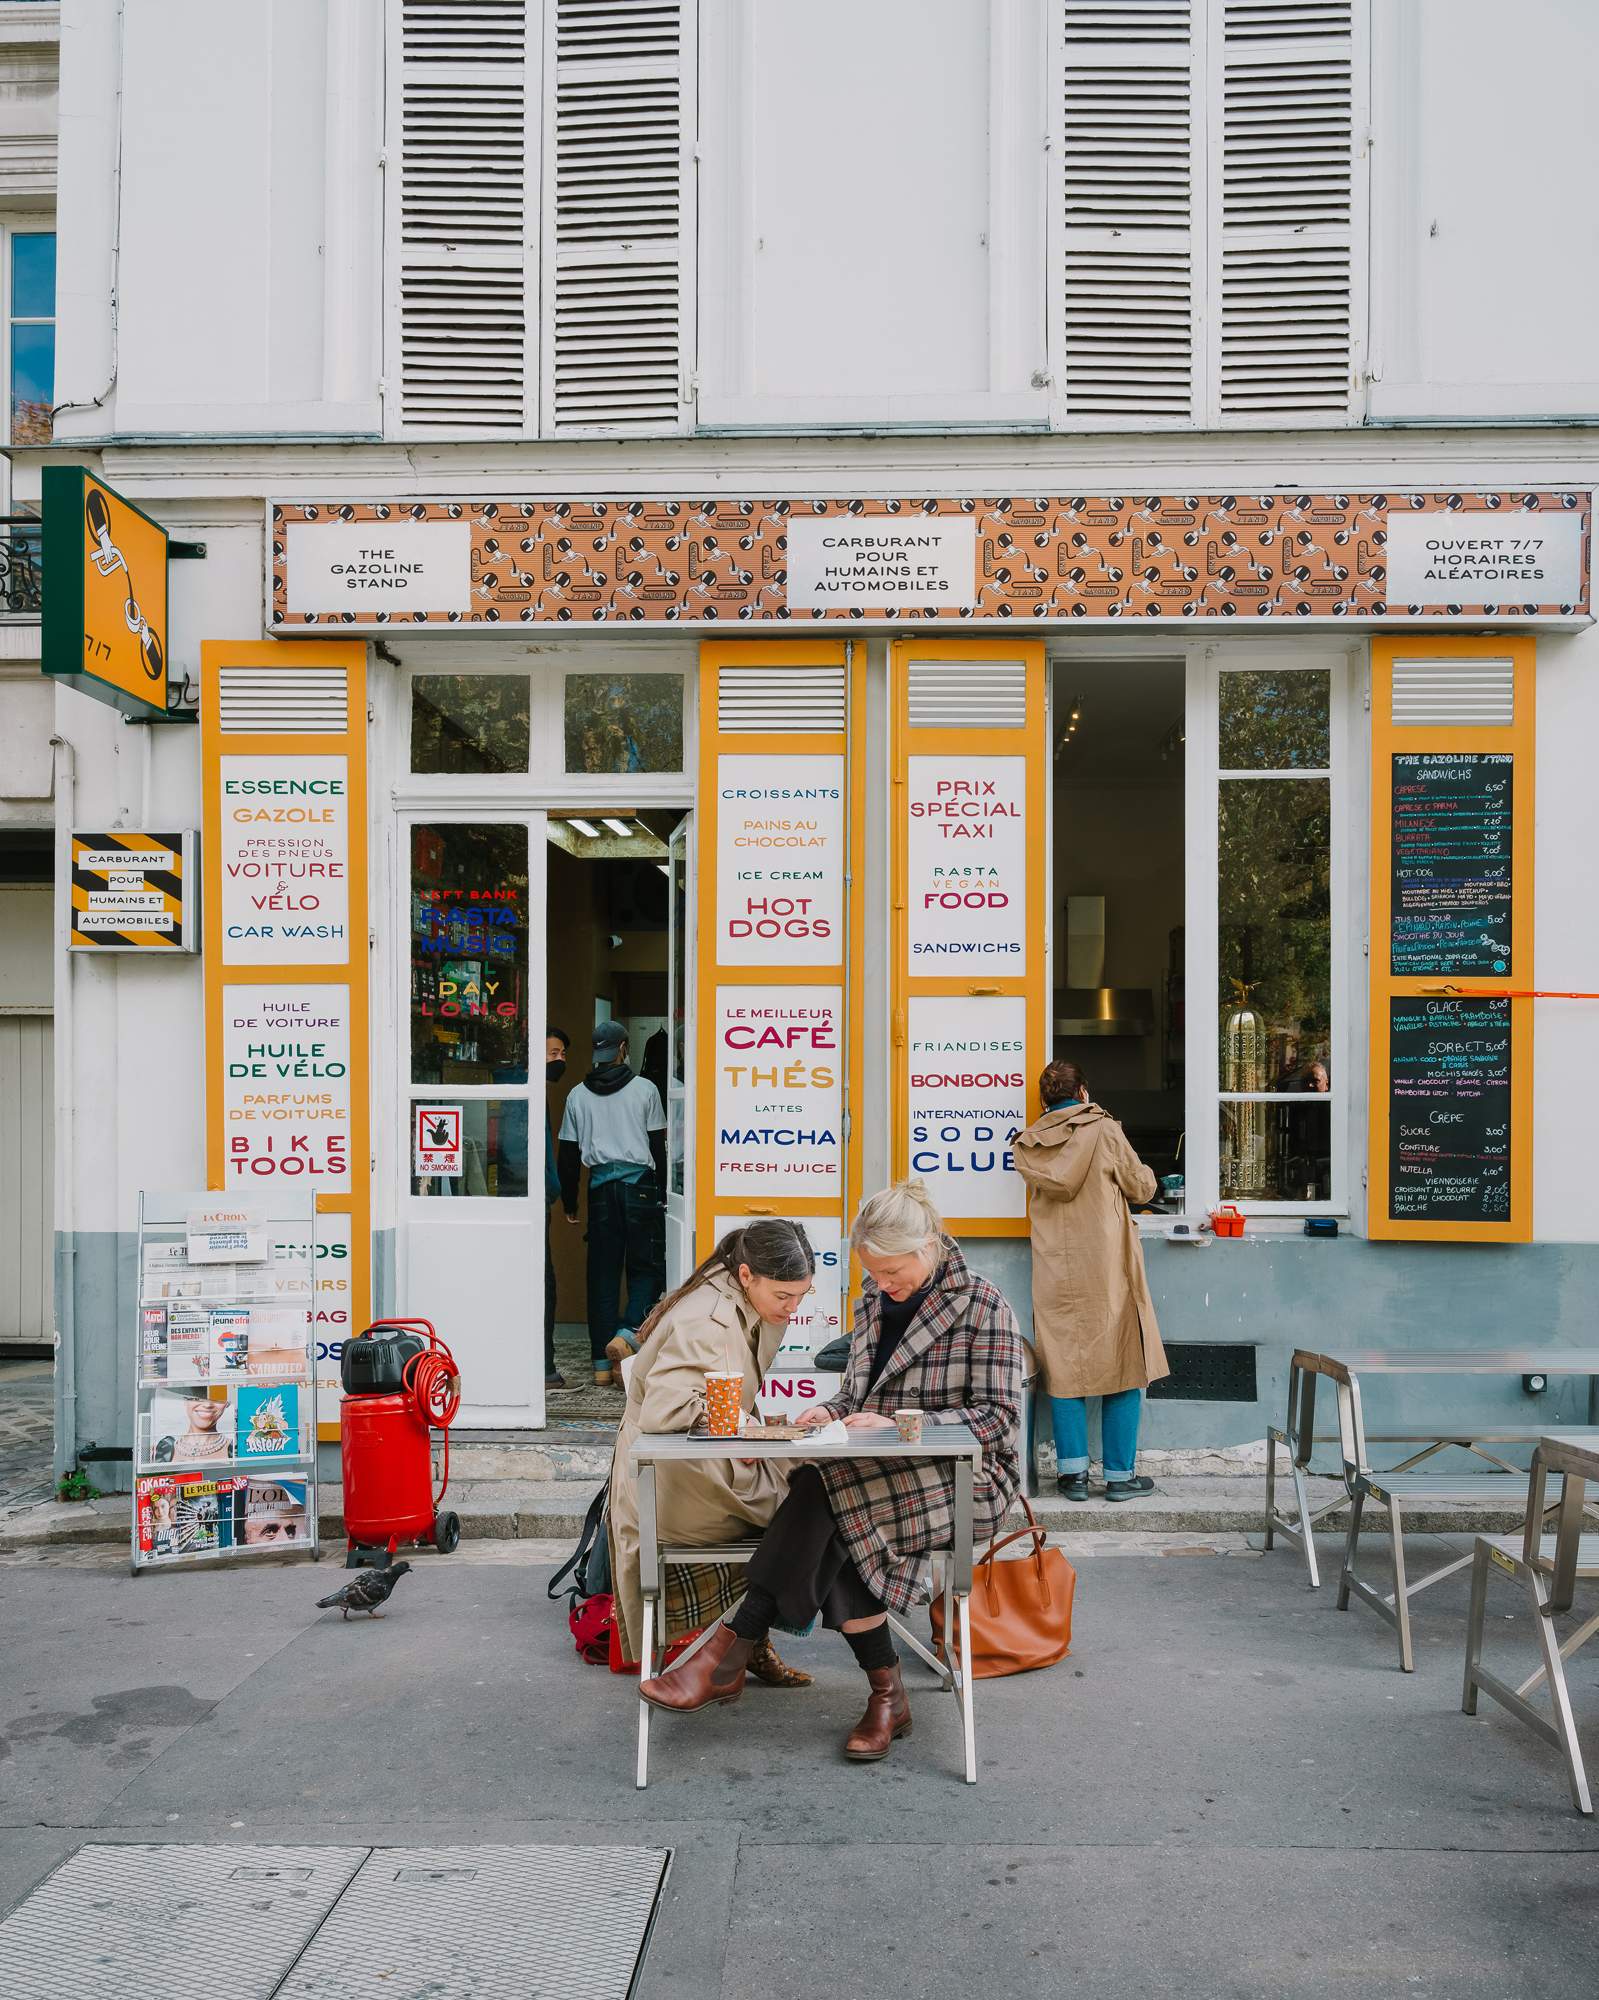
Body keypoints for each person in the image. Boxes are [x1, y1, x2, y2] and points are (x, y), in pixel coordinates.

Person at [639, 1180, 1025, 1764]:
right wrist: (831, 1411)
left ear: (928, 1249)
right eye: (874, 1272)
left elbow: (1000, 1420)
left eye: (892, 1271)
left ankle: (729, 1652)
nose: (883, 1284)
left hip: (964, 1476)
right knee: (834, 1507)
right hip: (875, 1473)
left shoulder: (984, 1304)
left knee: (824, 1494)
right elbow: (856, 1394)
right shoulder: (874, 1298)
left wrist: (897, 1424)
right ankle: (884, 1695)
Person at [607, 1219, 819, 1690]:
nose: (793, 1307)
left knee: (816, 1496)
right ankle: (738, 1644)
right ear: (747, 1276)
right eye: (784, 1297)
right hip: (673, 1486)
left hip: (690, 1470)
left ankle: (746, 1640)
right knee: (821, 1505)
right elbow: (667, 1407)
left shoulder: (737, 1295)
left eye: (801, 1296)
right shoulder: (709, 1319)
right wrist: (742, 1430)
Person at [1015, 1058, 1169, 1503]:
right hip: (1107, 1268)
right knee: (1125, 1365)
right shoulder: (1104, 1129)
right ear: (1083, 1091)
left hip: (1055, 1271)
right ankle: (1120, 1478)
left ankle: (1073, 1477)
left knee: (1065, 1369)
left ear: (1045, 1098)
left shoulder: (1026, 1145)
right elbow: (1141, 1189)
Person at [558, 1020, 667, 1387]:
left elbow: (569, 1156)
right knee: (646, 1270)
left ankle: (600, 1368)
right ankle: (627, 1336)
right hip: (640, 1188)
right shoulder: (645, 1089)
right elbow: (657, 1147)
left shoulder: (577, 1095)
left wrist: (570, 1202)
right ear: (623, 1049)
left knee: (601, 1277)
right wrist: (665, 1193)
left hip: (600, 1191)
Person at [544, 1028, 571, 1389]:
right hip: (533, 1203)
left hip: (539, 1201)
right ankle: (545, 1369)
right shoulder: (530, 1095)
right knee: (544, 1283)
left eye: (563, 1054)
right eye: (553, 1054)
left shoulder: (544, 1095)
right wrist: (554, 1192)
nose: (560, 1060)